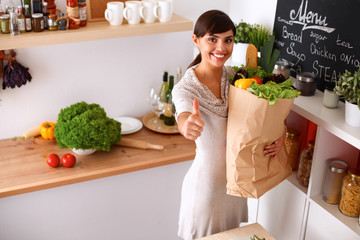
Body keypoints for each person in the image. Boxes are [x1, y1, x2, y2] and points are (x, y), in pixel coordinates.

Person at [172, 10, 286, 240]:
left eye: (228, 40)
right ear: (196, 40)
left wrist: (280, 133)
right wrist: (186, 124)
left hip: (236, 186)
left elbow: (262, 116)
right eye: (212, 39)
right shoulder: (185, 88)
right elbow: (183, 113)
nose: (221, 48)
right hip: (205, 192)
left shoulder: (236, 77)